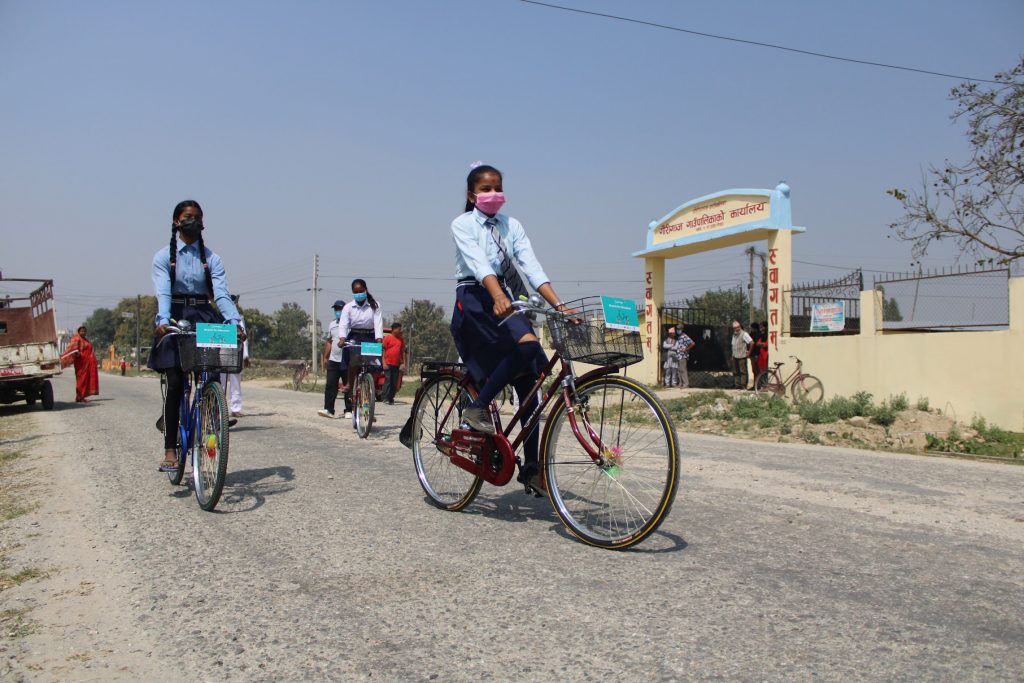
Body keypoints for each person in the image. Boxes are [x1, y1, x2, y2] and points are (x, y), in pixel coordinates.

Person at [450, 163, 569, 492]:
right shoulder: (462, 224)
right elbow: (477, 261)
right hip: (476, 295)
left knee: (530, 383)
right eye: (486, 189)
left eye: (497, 187)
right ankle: (476, 408)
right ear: (473, 195)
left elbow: (530, 263)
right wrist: (497, 295)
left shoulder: (511, 225)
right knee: (529, 346)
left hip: (505, 294)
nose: (493, 194)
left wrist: (559, 305)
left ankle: (531, 467)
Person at [149, 200, 244, 472]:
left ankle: (212, 433)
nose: (193, 221)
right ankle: (170, 448)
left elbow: (222, 295)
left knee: (213, 377)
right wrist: (163, 320)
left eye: (197, 217)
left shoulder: (212, 259)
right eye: (187, 216)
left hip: (205, 315)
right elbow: (163, 292)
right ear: (176, 222)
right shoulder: (163, 257)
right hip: (175, 316)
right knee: (176, 383)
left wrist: (234, 321)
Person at [337, 279, 383, 420]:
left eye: (361, 291)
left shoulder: (375, 305)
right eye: (356, 292)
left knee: (373, 367)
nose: (359, 294)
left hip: (370, 337)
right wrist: (342, 338)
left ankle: (369, 405)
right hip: (354, 336)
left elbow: (378, 322)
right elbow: (344, 323)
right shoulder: (348, 307)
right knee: (353, 361)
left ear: (365, 290)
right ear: (353, 293)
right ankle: (350, 385)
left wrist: (379, 339)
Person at [220, 295, 250, 418]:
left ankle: (236, 408)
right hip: (221, 352)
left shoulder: (239, 318)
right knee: (220, 382)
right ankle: (219, 407)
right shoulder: (219, 317)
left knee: (236, 381)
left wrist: (246, 356)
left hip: (236, 352)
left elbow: (244, 338)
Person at [318, 299, 346, 418]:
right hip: (334, 360)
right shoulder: (332, 324)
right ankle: (329, 409)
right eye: (336, 309)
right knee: (330, 384)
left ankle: (349, 410)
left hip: (347, 360)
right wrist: (325, 357)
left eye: (339, 309)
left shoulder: (350, 324)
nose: (337, 311)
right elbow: (329, 341)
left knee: (348, 385)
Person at [65, 325, 99, 402]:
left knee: (86, 380)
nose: (83, 332)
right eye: (82, 331)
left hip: (87, 363)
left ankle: (81, 396)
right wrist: (78, 354)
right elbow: (73, 349)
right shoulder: (76, 339)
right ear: (78, 331)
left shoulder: (86, 340)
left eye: (85, 331)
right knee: (81, 380)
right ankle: (80, 396)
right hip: (81, 363)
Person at [381, 322, 406, 405]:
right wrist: (383, 363)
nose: (400, 330)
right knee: (388, 380)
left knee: (394, 382)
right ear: (394, 329)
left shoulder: (401, 340)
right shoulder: (387, 338)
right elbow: (383, 351)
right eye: (399, 329)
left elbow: (402, 352)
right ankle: (384, 397)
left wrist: (403, 363)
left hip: (396, 364)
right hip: (388, 363)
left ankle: (391, 398)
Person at [730, 320, 753, 389]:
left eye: (738, 327)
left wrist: (749, 352)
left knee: (743, 371)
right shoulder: (734, 334)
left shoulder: (744, 334)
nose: (737, 328)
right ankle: (737, 385)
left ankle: (743, 386)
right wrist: (732, 355)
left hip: (742, 355)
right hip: (735, 355)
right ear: (733, 328)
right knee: (736, 371)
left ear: (740, 326)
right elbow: (733, 345)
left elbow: (752, 343)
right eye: (735, 327)